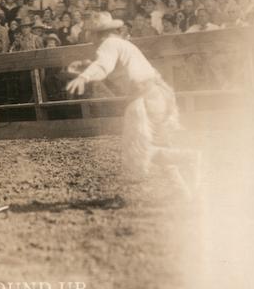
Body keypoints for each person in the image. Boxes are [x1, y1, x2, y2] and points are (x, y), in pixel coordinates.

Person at [65, 11, 200, 198]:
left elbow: (104, 66)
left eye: (91, 33)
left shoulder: (108, 44)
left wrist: (84, 76)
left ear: (97, 33)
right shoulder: (122, 43)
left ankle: (189, 158)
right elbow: (110, 64)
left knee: (136, 154)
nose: (90, 37)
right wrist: (87, 66)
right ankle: (182, 189)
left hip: (144, 97)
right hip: (159, 93)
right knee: (158, 145)